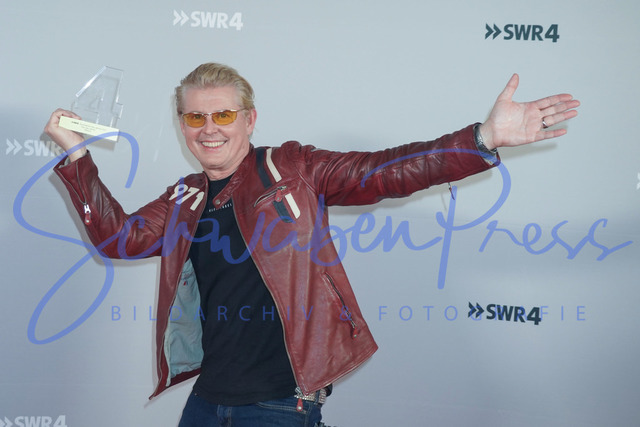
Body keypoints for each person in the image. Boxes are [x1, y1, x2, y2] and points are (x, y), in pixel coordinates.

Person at [44, 63, 579, 427]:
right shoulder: (185, 196)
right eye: (195, 117)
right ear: (182, 124)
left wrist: (481, 139)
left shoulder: (292, 168)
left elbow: (386, 171)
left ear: (249, 120)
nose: (209, 129)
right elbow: (118, 239)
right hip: (206, 403)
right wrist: (75, 155)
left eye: (223, 115)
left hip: (279, 406)